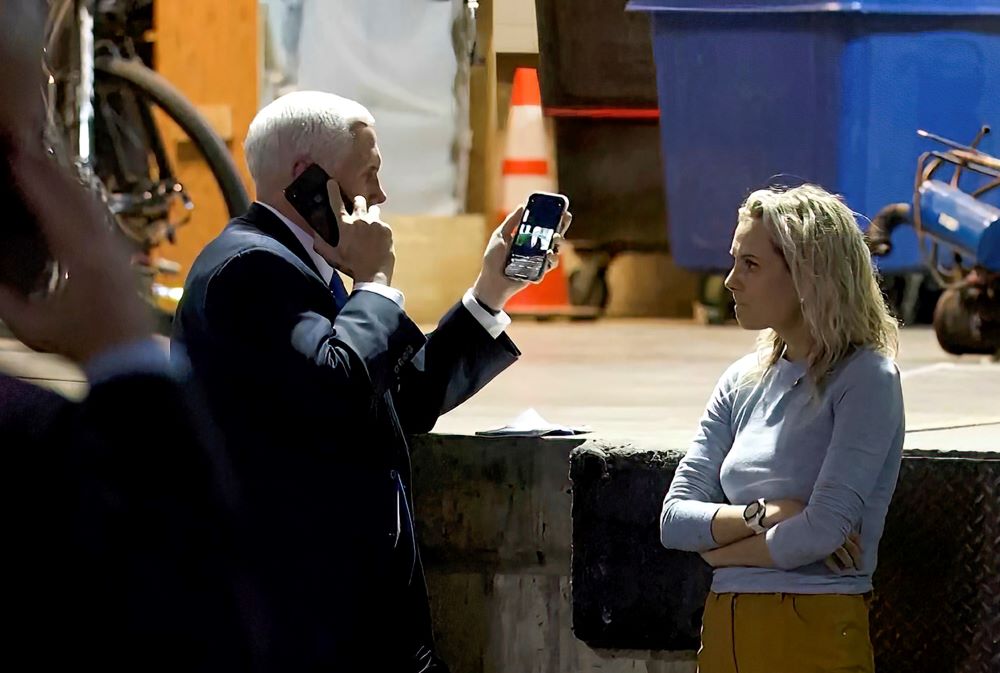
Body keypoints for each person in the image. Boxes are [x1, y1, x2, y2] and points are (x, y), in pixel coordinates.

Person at [171, 90, 570, 671]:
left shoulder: (309, 268)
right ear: (308, 181)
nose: (380, 196)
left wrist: (491, 293)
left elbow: (395, 401)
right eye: (369, 174)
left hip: (356, 618)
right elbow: (337, 387)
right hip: (302, 625)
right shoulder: (248, 269)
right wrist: (377, 284)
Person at [659, 184, 904, 673]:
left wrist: (717, 554)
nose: (730, 281)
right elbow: (673, 521)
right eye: (734, 261)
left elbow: (822, 530)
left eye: (750, 265)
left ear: (809, 276)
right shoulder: (740, 380)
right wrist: (765, 513)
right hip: (726, 632)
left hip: (811, 630)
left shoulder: (867, 379)